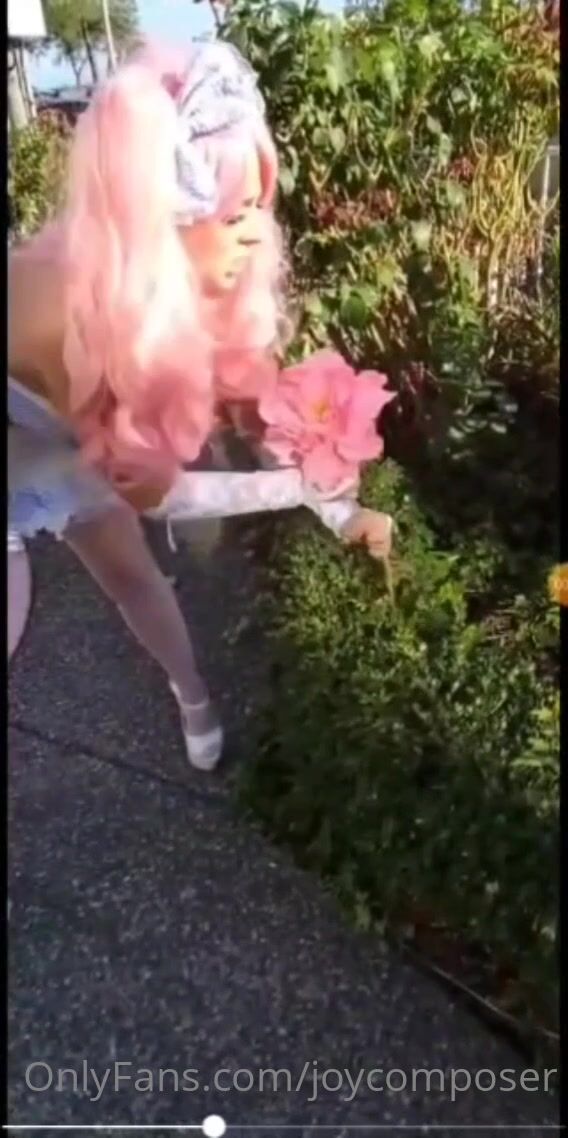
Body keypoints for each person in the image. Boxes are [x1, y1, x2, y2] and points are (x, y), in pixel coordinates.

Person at [8, 39, 394, 772]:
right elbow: (156, 495)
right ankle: (186, 689)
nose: (256, 230)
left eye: (257, 205)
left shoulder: (199, 278)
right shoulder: (66, 320)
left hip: (82, 408)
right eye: (232, 211)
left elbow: (259, 413)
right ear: (160, 220)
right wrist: (299, 490)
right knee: (94, 567)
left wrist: (341, 510)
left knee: (131, 575)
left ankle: (192, 694)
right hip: (20, 426)